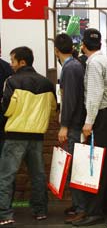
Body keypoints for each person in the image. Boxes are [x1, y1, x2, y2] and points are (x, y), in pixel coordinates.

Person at [0, 46, 56, 226]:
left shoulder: (12, 81)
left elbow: (7, 108)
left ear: (21, 62)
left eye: (13, 60)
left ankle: (5, 214)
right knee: (38, 175)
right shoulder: (47, 83)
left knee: (6, 176)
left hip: (15, 135)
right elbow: (53, 108)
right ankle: (40, 211)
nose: (11, 64)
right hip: (37, 136)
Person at [73, 28, 107, 226]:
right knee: (106, 164)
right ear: (100, 44)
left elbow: (93, 94)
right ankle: (106, 207)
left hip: (99, 117)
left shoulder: (93, 63)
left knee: (95, 164)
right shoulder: (105, 61)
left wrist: (88, 122)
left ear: (83, 45)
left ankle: (94, 212)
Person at [54, 34, 87, 224]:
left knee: (76, 168)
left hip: (74, 125)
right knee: (73, 166)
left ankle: (81, 208)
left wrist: (64, 125)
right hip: (74, 124)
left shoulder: (70, 68)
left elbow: (70, 99)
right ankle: (77, 205)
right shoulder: (72, 66)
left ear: (56, 50)